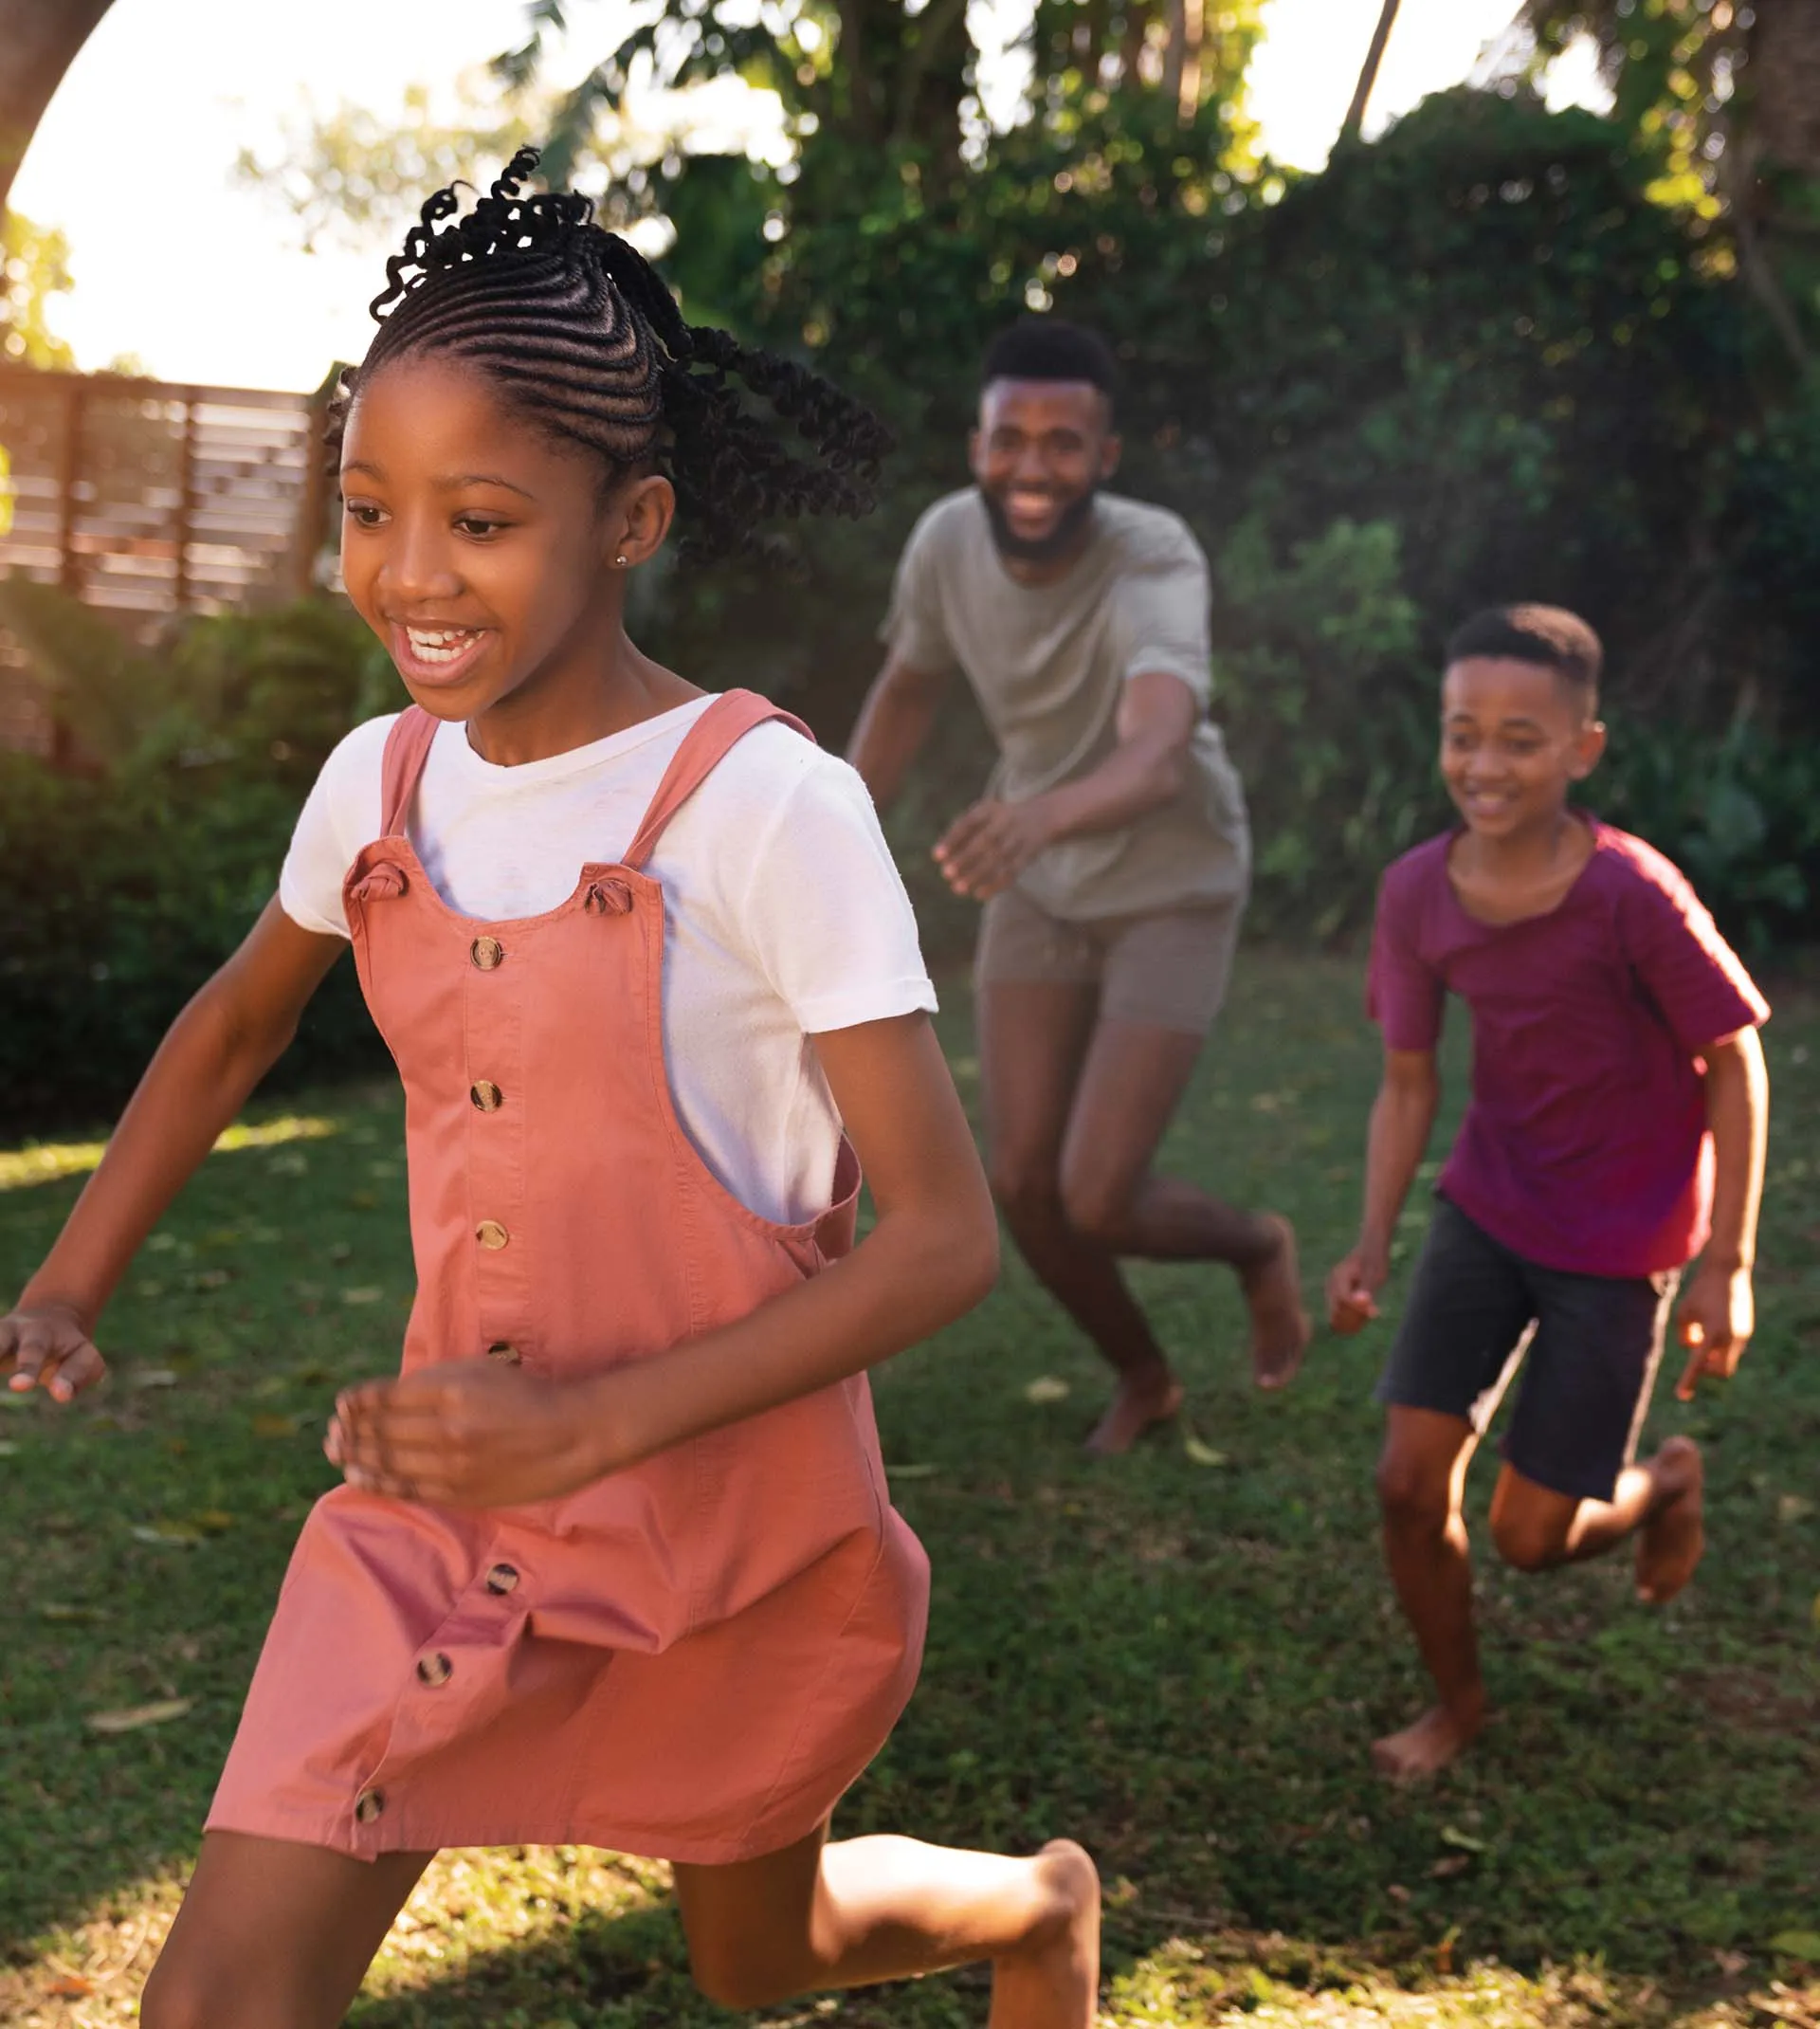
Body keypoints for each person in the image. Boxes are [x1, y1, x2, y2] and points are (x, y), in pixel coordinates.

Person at [1, 154, 1101, 2028]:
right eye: (367, 508)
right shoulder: (379, 782)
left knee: (767, 1959)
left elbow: (938, 1242)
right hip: (439, 1506)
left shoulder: (767, 806)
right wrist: (70, 1277)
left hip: (731, 1527)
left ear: (630, 519)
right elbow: (236, 1020)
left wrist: (595, 1431)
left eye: (482, 518)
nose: (409, 572)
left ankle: (1039, 1906)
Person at [846, 318, 1308, 1458]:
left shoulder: (1155, 557)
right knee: (1022, 1181)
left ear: (1107, 455)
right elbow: (908, 688)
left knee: (1100, 1192)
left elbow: (1156, 751)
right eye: (1013, 439)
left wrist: (1037, 815)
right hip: (1043, 882)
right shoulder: (946, 543)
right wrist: (837, 822)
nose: (1034, 467)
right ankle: (1144, 1376)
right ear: (976, 444)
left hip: (1173, 876)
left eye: (1065, 442)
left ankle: (1255, 1246)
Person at [1326, 604, 1770, 1782]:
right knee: (1407, 1483)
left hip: (1620, 1244)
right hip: (1489, 1208)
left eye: (1521, 739)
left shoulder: (1633, 894)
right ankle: (1459, 1705)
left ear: (1583, 748)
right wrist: (1370, 1240)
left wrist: (1726, 1264)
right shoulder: (1418, 892)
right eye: (1462, 733)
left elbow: (1734, 1059)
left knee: (1533, 1537)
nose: (1484, 763)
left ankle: (1664, 1481)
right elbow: (1408, 1080)